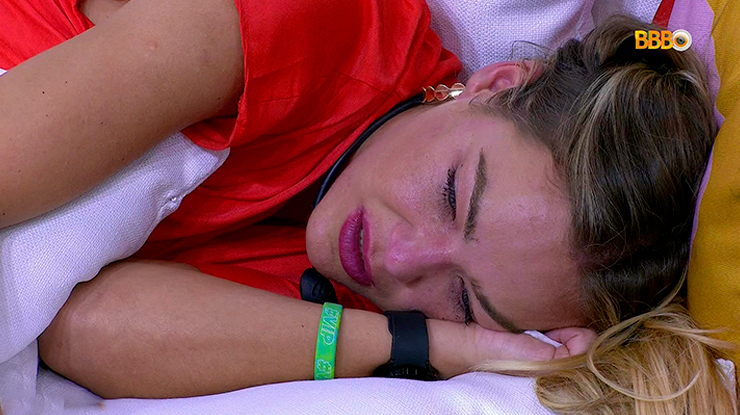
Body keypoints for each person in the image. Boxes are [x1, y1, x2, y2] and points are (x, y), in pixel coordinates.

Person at [0, 0, 733, 413]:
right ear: (492, 85)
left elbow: (76, 325)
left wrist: (427, 344)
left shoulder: (379, 311)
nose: (400, 258)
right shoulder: (317, 21)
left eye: (465, 297)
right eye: (450, 194)